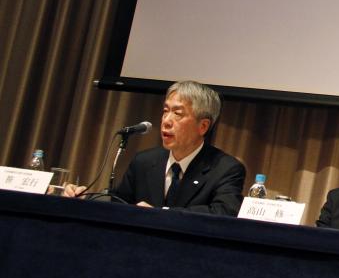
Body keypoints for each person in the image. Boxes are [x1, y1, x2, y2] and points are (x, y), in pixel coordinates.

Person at [64, 80, 246, 215]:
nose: (166, 121)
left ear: (203, 126)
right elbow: (118, 203)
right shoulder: (144, 161)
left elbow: (222, 212)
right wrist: (86, 198)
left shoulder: (226, 169)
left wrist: (161, 214)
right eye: (165, 111)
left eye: (177, 113)